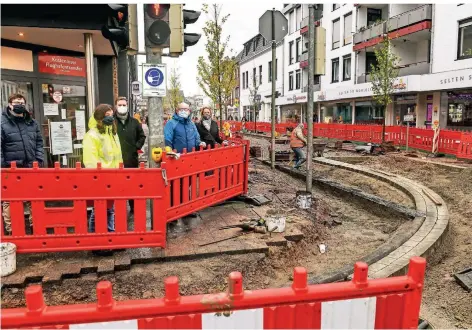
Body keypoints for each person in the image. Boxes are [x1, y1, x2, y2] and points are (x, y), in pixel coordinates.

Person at [1, 93, 43, 234]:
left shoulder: (32, 122)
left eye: (22, 102)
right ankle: (12, 230)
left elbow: (39, 142)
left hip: (30, 166)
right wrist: (3, 167)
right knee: (9, 201)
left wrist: (38, 160)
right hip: (10, 168)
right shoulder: (2, 123)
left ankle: (35, 226)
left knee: (33, 198)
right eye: (16, 102)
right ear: (10, 105)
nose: (19, 105)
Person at [83, 104, 123, 235]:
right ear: (100, 116)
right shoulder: (92, 135)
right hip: (101, 177)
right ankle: (97, 238)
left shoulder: (112, 132)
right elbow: (90, 160)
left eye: (111, 115)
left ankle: (109, 234)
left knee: (109, 209)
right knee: (99, 209)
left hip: (113, 176)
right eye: (107, 115)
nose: (110, 118)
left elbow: (117, 155)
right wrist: (98, 177)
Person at [114, 97, 146, 214]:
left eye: (124, 104)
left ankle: (133, 206)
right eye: (119, 104)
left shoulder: (134, 122)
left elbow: (142, 136)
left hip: (131, 159)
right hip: (115, 160)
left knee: (132, 184)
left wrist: (136, 147)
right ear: (116, 106)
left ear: (127, 106)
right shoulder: (112, 122)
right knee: (117, 185)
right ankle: (118, 207)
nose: (122, 107)